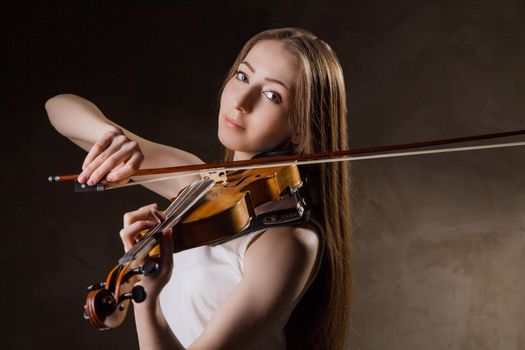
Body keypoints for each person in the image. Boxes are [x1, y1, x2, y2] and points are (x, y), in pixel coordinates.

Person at [46, 27, 351, 350]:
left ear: (302, 128)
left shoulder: (287, 241)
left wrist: (146, 299)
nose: (241, 102)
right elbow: (58, 108)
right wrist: (110, 136)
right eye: (243, 77)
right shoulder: (201, 185)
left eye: (272, 96)